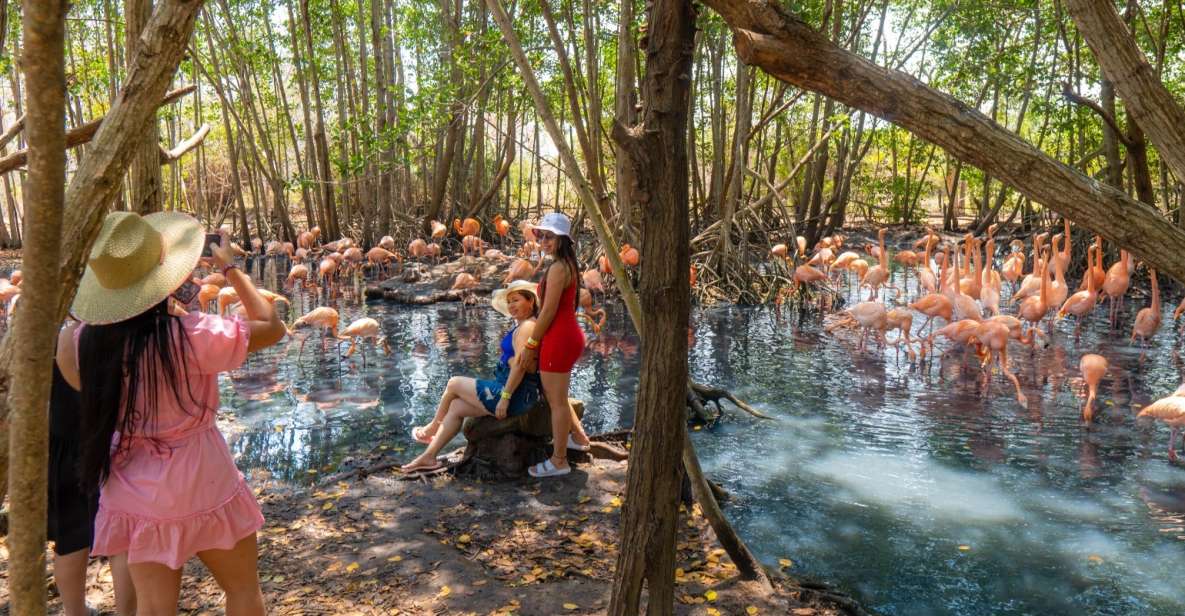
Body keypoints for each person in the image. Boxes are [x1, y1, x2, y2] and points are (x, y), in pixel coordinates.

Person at [58, 212, 286, 616]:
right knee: (243, 592)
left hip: (134, 491)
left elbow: (83, 389)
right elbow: (271, 325)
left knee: (154, 607)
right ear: (164, 274)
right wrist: (230, 267)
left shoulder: (78, 344)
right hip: (204, 481)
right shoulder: (193, 336)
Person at [402, 280, 543, 472]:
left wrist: (505, 398)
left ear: (531, 302)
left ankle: (431, 428)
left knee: (453, 383)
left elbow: (520, 365)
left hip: (515, 395)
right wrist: (509, 363)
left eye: (516, 300)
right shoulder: (522, 326)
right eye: (509, 301)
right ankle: (429, 456)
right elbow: (519, 362)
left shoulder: (527, 326)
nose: (511, 305)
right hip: (512, 390)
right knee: (455, 407)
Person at [518, 212, 591, 478]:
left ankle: (559, 460)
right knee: (557, 396)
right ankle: (579, 438)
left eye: (550, 237)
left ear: (563, 240)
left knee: (557, 402)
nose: (544, 241)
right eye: (541, 236)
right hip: (566, 335)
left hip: (559, 337)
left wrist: (531, 344)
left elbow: (547, 312)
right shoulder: (566, 264)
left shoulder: (559, 268)